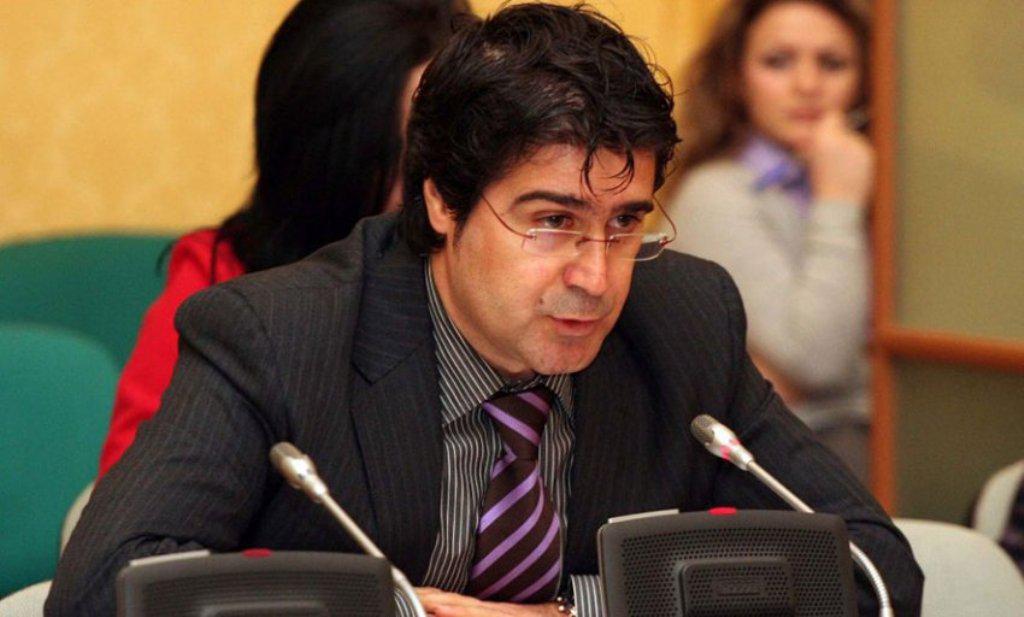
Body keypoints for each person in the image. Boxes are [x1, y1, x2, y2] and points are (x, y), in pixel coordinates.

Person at [48, 4, 923, 616]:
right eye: (552, 221)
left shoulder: (684, 319)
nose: (597, 276)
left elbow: (873, 569)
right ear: (442, 201)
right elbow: (100, 594)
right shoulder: (278, 334)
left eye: (626, 224)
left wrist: (582, 611)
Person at [96, 0, 468, 476]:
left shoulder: (492, 279)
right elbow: (137, 503)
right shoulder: (219, 292)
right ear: (326, 163)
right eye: (410, 157)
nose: (437, 189)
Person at [662, 0, 874, 480]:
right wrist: (839, 200)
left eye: (832, 63)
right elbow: (821, 362)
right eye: (778, 61)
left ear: (866, 79)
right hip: (789, 460)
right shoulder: (716, 193)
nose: (808, 84)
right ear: (737, 77)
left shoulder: (882, 180)